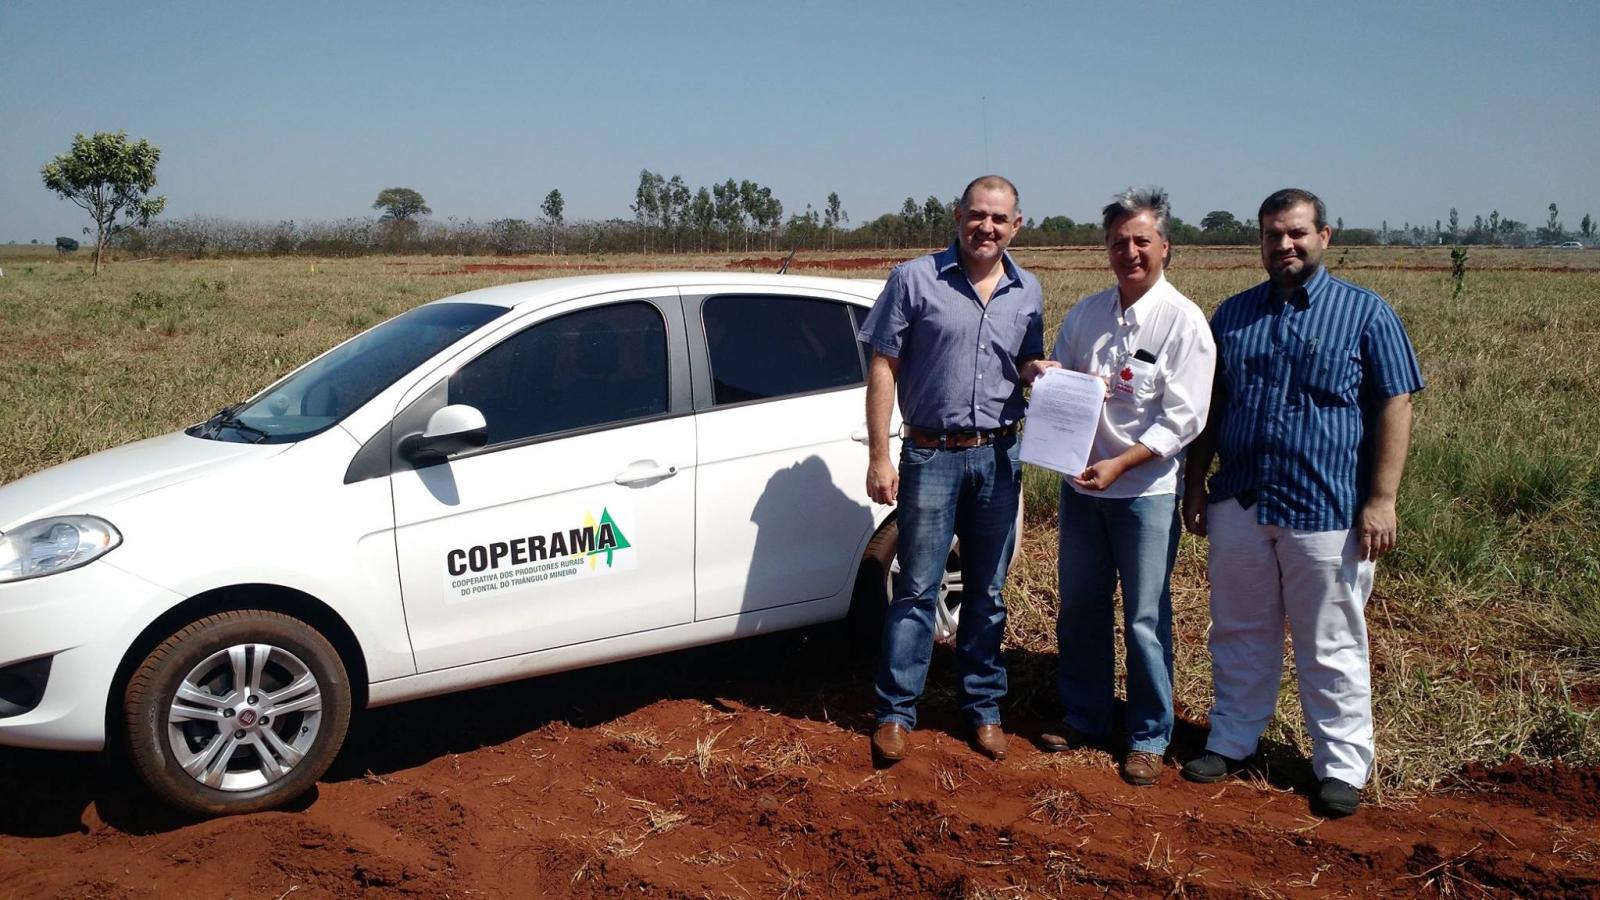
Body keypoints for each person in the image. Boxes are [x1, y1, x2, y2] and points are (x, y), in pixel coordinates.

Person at [1180, 188, 1423, 818]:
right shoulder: (1232, 316)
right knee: (1238, 630)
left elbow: (1395, 403)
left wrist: (1382, 498)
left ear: (1324, 236)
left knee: (1332, 640)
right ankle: (1233, 738)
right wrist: (1196, 483)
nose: (1283, 245)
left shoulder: (1366, 314)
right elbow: (1211, 410)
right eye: (1271, 235)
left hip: (1327, 509)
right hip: (1241, 501)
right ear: (1259, 242)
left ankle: (1341, 763)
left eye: (1295, 233)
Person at [858, 175, 1049, 764]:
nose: (986, 227)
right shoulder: (913, 280)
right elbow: (884, 364)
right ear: (957, 215)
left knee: (988, 591)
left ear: (1016, 225)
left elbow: (1023, 365)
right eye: (977, 215)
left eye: (999, 218)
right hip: (930, 453)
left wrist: (1043, 374)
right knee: (916, 587)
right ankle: (895, 712)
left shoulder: (1028, 291)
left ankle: (983, 708)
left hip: (999, 455)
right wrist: (879, 454)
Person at [1033, 187, 1215, 786]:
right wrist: (1047, 378)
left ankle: (1147, 734)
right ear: (1106, 250)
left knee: (1143, 616)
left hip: (1146, 493)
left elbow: (1184, 419)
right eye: (1119, 243)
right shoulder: (1087, 314)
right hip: (1082, 488)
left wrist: (1122, 465)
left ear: (1165, 247)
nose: (1130, 251)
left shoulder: (1183, 322)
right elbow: (1062, 384)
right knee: (1081, 608)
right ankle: (1086, 714)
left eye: (1142, 241)